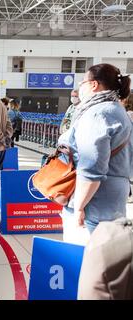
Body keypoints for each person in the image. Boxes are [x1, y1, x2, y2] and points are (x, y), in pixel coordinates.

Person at [57, 63, 133, 245]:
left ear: (93, 85)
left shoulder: (97, 113)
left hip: (94, 200)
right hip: (114, 195)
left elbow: (91, 166)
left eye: (83, 82)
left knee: (84, 259)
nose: (79, 88)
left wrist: (79, 207)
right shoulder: (118, 111)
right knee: (105, 257)